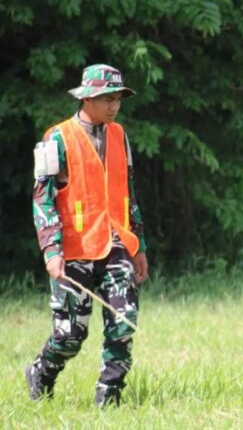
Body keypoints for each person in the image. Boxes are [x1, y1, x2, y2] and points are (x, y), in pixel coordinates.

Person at [26, 64, 149, 407]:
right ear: (87, 98)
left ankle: (109, 397)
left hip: (117, 244)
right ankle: (41, 371)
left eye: (118, 99)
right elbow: (42, 197)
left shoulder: (119, 134)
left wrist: (139, 245)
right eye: (107, 99)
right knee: (70, 336)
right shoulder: (57, 138)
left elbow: (129, 191)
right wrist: (51, 250)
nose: (114, 105)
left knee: (124, 322)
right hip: (74, 249)